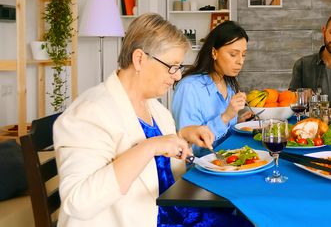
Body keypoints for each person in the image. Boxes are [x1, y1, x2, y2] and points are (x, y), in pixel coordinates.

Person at [54, 13, 251, 226]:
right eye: (172, 66)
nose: (177, 76)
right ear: (140, 59)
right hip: (146, 219)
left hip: (172, 211)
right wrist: (149, 147)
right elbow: (78, 202)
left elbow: (160, 165)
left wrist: (183, 136)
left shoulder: (155, 109)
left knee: (248, 215)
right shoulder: (89, 113)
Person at [172, 20, 252, 156]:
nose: (240, 61)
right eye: (233, 54)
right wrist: (226, 117)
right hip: (199, 170)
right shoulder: (189, 88)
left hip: (227, 163)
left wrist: (237, 123)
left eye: (243, 54)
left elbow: (223, 139)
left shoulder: (229, 86)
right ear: (214, 53)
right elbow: (188, 146)